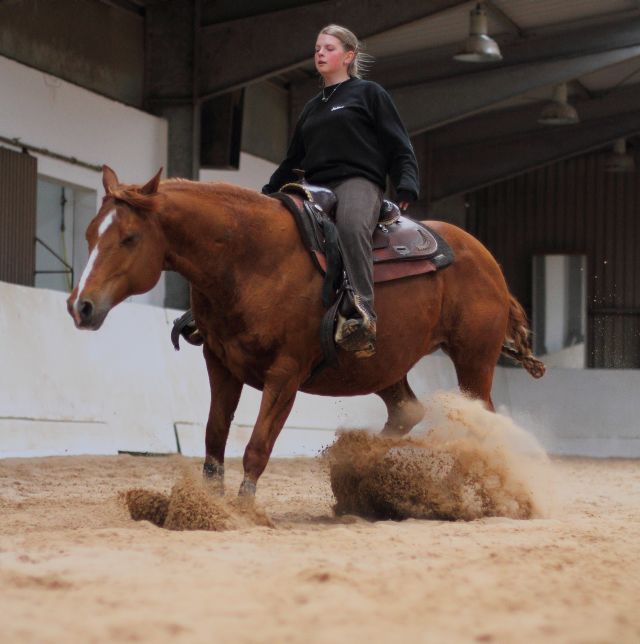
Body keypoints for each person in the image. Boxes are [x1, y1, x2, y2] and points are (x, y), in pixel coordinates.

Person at [262, 24, 419, 358]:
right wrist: (266, 193)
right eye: (318, 48)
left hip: (358, 182)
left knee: (349, 225)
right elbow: (293, 160)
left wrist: (407, 181)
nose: (320, 53)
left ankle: (363, 313)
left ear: (348, 56)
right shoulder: (311, 107)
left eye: (329, 48)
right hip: (314, 187)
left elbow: (398, 143)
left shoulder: (370, 93)